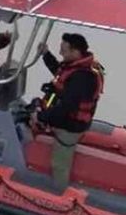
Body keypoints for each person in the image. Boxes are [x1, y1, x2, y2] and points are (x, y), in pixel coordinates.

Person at [31, 33, 106, 192]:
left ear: (75, 52)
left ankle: (58, 197)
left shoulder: (83, 78)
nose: (61, 54)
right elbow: (61, 73)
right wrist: (46, 54)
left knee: (59, 165)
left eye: (64, 51)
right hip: (71, 119)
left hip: (71, 126)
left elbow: (66, 108)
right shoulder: (79, 67)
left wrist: (41, 116)